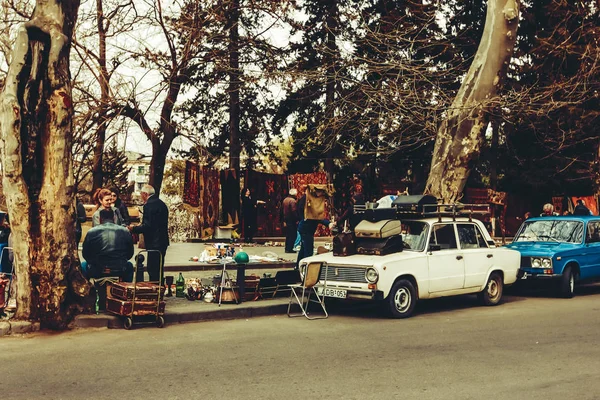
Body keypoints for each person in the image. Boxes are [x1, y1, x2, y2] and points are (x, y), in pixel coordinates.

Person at [129, 184, 169, 283]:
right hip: (163, 240)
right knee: (159, 267)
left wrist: (133, 228)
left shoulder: (148, 205)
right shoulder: (161, 204)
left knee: (153, 268)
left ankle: (155, 290)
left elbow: (148, 226)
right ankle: (160, 288)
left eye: (141, 194)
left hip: (154, 242)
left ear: (145, 194)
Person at [81, 209, 134, 282]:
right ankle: (127, 289)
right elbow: (130, 254)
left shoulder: (91, 232)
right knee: (129, 266)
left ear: (100, 219)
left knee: (83, 265)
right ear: (114, 218)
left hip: (97, 269)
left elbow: (85, 254)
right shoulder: (125, 231)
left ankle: (85, 290)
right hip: (119, 269)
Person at [295, 193, 333, 268]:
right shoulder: (310, 203)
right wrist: (328, 223)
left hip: (305, 228)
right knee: (308, 251)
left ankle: (298, 267)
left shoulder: (308, 202)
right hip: (306, 229)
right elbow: (316, 217)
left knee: (303, 249)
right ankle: (306, 268)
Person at [281, 188, 299, 253]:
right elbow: (293, 211)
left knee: (288, 235)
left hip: (287, 219)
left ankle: (287, 248)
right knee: (293, 235)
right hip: (292, 220)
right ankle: (290, 248)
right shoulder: (292, 201)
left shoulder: (285, 200)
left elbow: (281, 210)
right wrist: (297, 219)